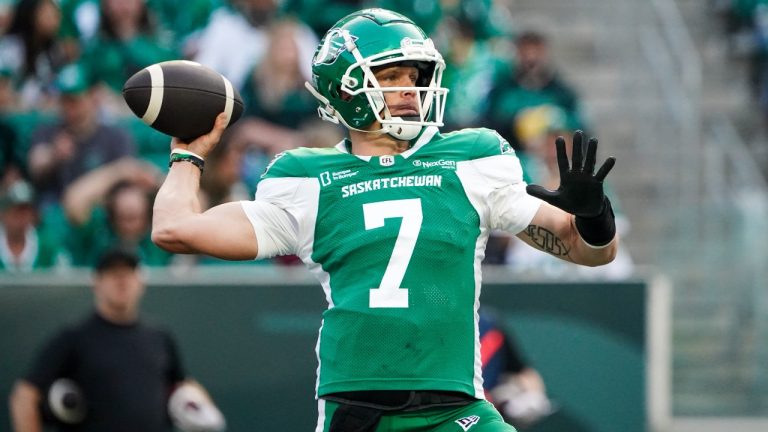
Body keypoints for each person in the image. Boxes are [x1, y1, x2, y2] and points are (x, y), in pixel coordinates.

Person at [151, 8, 619, 431]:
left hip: (456, 409)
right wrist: (188, 156)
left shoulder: (470, 158)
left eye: (414, 76)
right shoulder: (307, 178)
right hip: (358, 412)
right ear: (348, 87)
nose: (410, 91)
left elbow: (587, 250)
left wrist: (595, 215)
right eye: (392, 76)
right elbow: (173, 230)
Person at [8, 246, 224, 432]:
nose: (122, 281)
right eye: (113, 274)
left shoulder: (159, 337)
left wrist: (205, 408)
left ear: (140, 282)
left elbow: (183, 385)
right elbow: (24, 396)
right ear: (97, 282)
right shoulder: (74, 338)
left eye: (128, 273)